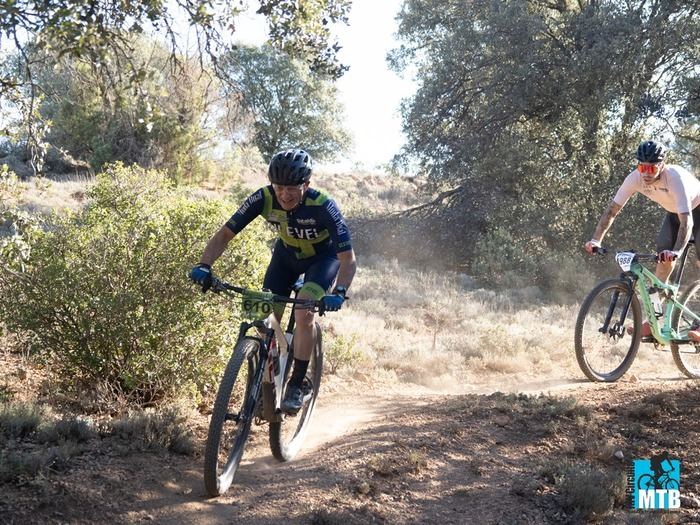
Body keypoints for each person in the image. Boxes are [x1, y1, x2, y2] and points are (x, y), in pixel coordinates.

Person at [190, 148, 357, 413]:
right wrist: (204, 265)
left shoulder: (323, 205)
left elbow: (348, 260)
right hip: (285, 257)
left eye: (292, 188)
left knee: (303, 312)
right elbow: (223, 236)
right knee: (264, 319)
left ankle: (297, 383)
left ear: (307, 185)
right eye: (279, 187)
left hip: (322, 260)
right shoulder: (263, 198)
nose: (284, 195)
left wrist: (339, 291)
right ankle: (265, 382)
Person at [584, 140, 700, 340]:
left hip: (694, 213)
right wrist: (596, 240)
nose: (646, 173)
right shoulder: (634, 178)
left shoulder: (675, 178)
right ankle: (654, 320)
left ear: (662, 165)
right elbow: (612, 211)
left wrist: (677, 252)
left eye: (651, 167)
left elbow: (687, 222)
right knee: (661, 267)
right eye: (642, 167)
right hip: (674, 214)